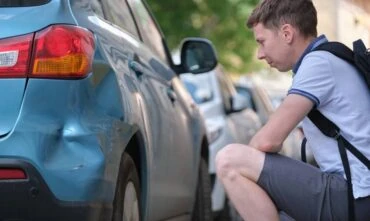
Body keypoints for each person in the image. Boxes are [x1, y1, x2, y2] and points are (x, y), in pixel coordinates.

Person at [215, 0, 370, 220]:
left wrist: (253, 168)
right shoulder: (328, 58)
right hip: (356, 194)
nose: (259, 54)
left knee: (229, 159)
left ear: (287, 33)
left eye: (262, 41)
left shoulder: (317, 64)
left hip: (355, 196)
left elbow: (267, 141)